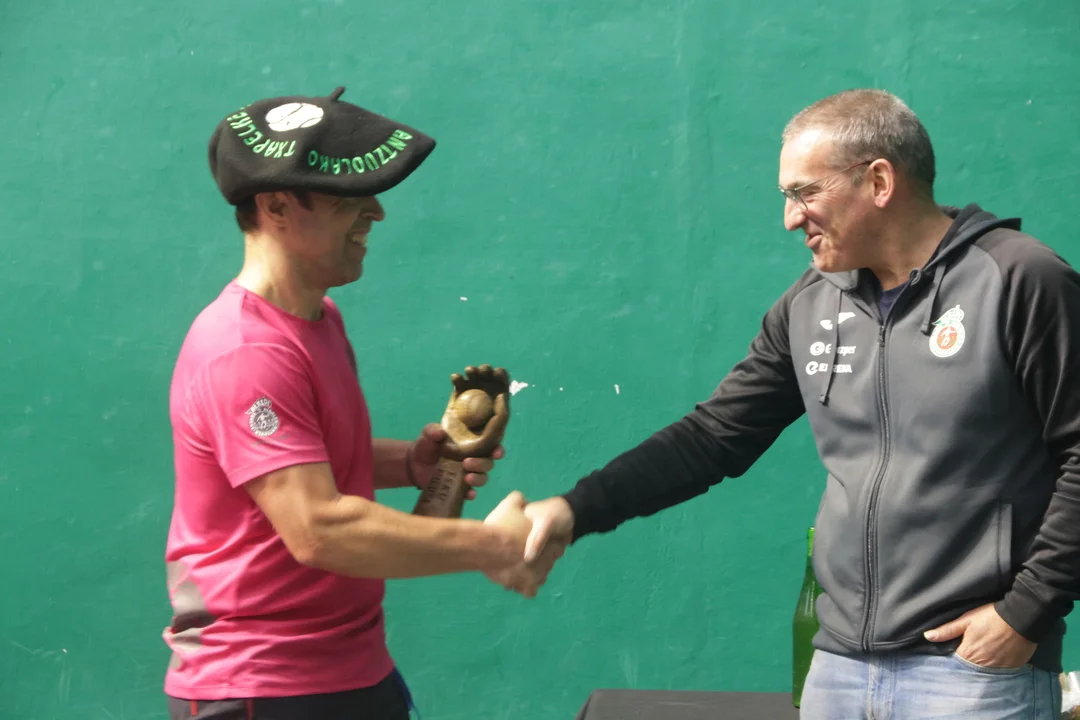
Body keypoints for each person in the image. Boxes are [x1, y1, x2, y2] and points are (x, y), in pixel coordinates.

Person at [521, 89, 1080, 718]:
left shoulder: (1020, 279)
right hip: (837, 671)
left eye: (804, 193)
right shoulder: (811, 301)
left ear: (879, 181)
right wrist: (576, 509)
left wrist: (1026, 612)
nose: (792, 218)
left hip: (972, 674)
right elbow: (714, 436)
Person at [161, 87, 554, 720]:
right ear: (276, 205)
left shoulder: (318, 319)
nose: (377, 212)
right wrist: (491, 546)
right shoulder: (245, 351)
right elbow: (319, 529)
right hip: (263, 688)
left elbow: (294, 460)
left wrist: (412, 465)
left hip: (350, 670)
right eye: (348, 198)